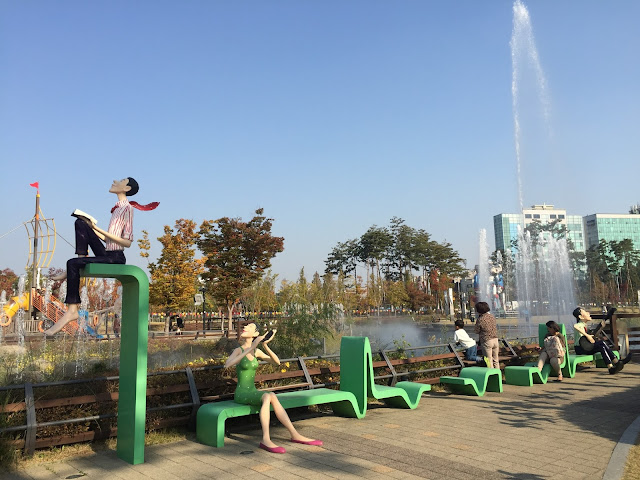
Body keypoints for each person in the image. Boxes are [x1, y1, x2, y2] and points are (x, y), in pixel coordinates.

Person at [45, 178, 158, 336]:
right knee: (80, 223)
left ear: (126, 188)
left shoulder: (127, 209)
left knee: (72, 263)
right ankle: (81, 259)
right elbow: (107, 239)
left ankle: (72, 311)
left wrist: (98, 229)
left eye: (121, 181)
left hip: (116, 257)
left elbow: (127, 242)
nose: (114, 181)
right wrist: (92, 227)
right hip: (107, 251)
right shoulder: (117, 209)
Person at [224, 323, 322, 453]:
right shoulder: (239, 350)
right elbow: (227, 365)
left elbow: (276, 362)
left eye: (249, 326)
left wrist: (264, 345)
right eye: (245, 326)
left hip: (252, 391)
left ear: (256, 334)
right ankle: (267, 439)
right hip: (242, 393)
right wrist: (250, 347)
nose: (245, 327)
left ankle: (294, 434)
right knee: (267, 396)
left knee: (271, 396)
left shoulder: (257, 352)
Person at [572, 307, 631, 374]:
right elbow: (575, 326)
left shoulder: (585, 325)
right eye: (585, 312)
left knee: (602, 345)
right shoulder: (579, 325)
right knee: (601, 345)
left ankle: (613, 365)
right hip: (580, 348)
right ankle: (615, 363)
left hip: (585, 347)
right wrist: (587, 335)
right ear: (580, 316)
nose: (588, 313)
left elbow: (591, 337)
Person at [474, 302, 500, 369]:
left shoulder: (480, 319)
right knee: (496, 360)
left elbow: (476, 331)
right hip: (495, 339)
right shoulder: (492, 316)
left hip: (487, 340)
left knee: (489, 361)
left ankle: (491, 376)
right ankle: (498, 375)